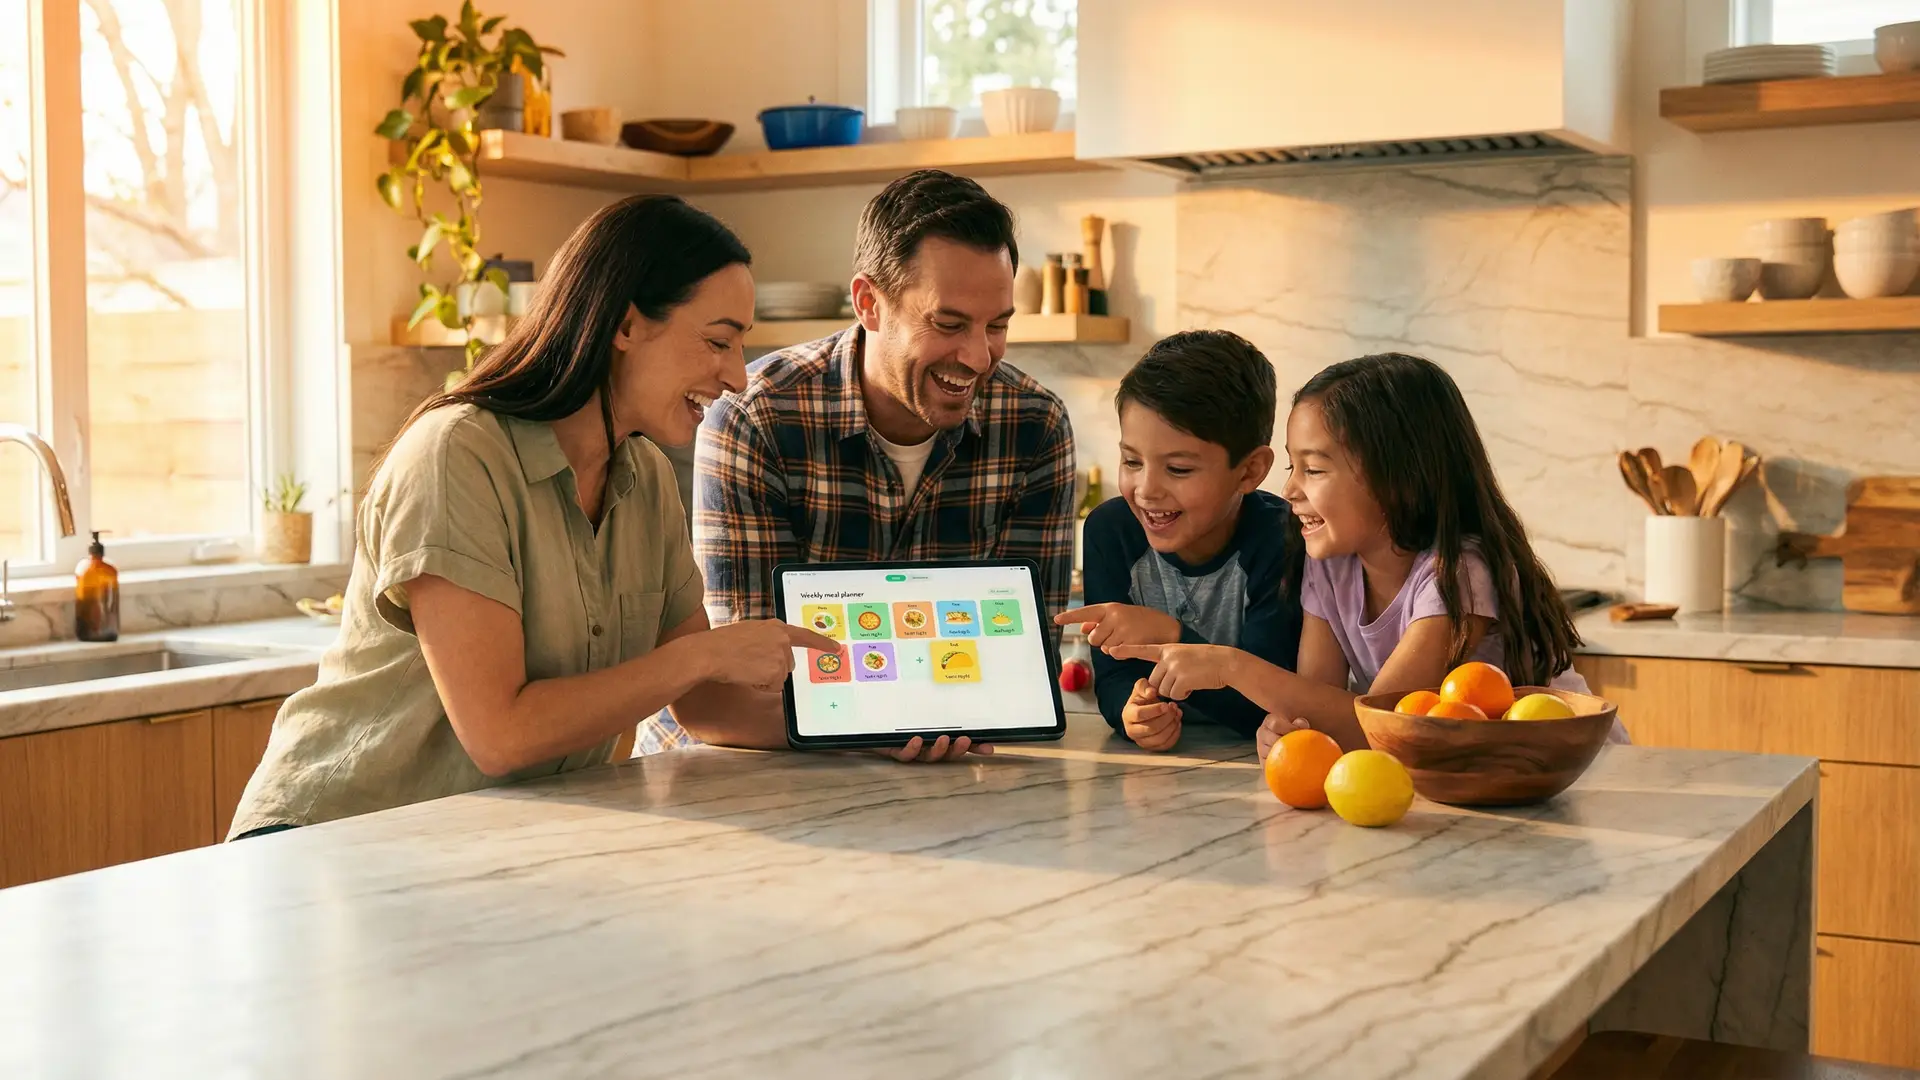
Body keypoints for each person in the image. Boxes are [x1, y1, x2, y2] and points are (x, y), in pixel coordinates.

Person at [227, 196, 844, 839]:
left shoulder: (647, 480)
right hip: (333, 839)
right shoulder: (457, 457)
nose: (737, 376)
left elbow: (706, 708)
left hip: (479, 845)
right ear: (626, 324)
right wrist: (704, 655)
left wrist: (884, 725)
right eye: (718, 341)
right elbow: (502, 735)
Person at [694, 169, 1076, 763]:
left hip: (931, 781)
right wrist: (894, 724)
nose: (978, 357)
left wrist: (907, 720)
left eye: (997, 325)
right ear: (869, 303)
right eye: (948, 324)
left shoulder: (1035, 426)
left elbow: (1025, 671)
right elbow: (743, 681)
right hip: (750, 772)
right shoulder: (757, 418)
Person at [1105, 352, 1626, 758]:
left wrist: (1230, 666)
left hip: (1583, 781)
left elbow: (1388, 721)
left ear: (1397, 480)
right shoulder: (1329, 567)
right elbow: (1316, 701)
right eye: (1292, 466)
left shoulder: (1459, 572)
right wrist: (1289, 729)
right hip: (1465, 787)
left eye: (1313, 469)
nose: (1289, 490)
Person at [1052, 331, 1302, 752]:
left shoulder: (1281, 541)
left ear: (1250, 470)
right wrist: (1131, 713)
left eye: (1179, 469)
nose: (1146, 490)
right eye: (1132, 461)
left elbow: (1268, 707)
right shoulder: (1109, 532)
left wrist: (1170, 634)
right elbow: (1112, 678)